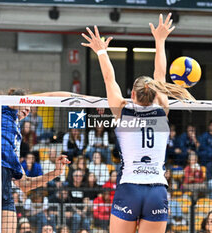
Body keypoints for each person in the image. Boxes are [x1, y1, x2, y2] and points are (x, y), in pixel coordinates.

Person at [81, 13, 194, 233]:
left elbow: (108, 79)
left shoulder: (122, 110)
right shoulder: (162, 109)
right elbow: (160, 73)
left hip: (130, 188)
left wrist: (101, 51)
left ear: (132, 94)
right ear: (155, 93)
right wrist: (160, 40)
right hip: (156, 191)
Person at [0, 88, 72, 233]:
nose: (28, 109)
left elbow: (25, 184)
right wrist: (84, 98)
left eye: (30, 106)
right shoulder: (1, 109)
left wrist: (56, 172)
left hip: (5, 181)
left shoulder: (15, 137)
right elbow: (52, 95)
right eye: (26, 103)